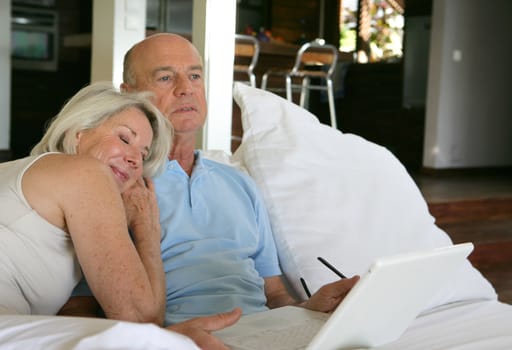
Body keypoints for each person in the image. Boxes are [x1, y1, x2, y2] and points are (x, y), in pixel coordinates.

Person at [62, 33, 359, 349]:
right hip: (180, 337)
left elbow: (274, 294)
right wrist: (156, 340)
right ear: (130, 94)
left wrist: (309, 309)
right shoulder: (118, 182)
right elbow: (79, 307)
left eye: (194, 75)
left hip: (264, 332)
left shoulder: (240, 183)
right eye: (165, 77)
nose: (186, 88)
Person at [0, 82, 173, 326]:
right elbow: (141, 318)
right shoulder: (86, 172)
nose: (135, 159)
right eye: (124, 138)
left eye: (143, 155)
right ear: (79, 132)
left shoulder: (24, 170)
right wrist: (147, 228)